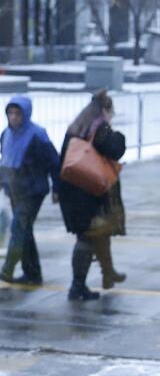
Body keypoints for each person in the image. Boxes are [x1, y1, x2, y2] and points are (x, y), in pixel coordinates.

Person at [57, 90, 127, 302]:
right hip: (89, 190)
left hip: (71, 189)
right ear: (105, 109)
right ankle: (77, 286)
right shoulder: (100, 128)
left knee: (96, 233)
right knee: (88, 236)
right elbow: (114, 149)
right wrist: (120, 136)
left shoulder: (76, 127)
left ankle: (108, 273)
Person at [0, 95, 59, 287]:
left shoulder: (37, 135)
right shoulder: (6, 134)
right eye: (10, 113)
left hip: (33, 190)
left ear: (25, 114)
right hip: (15, 190)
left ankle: (8, 268)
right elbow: (5, 159)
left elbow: (54, 161)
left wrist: (57, 187)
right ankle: (33, 273)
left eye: (17, 113)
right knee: (25, 231)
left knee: (19, 228)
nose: (13, 117)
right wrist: (1, 179)